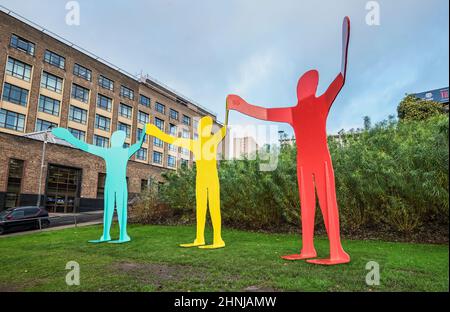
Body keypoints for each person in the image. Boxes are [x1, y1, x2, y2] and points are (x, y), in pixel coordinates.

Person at [226, 17, 351, 265]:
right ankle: (308, 248)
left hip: (320, 161)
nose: (301, 86)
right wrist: (241, 105)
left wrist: (344, 45)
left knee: (327, 203)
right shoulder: (293, 111)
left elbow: (341, 78)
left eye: (306, 82)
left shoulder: (321, 102)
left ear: (312, 86)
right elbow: (264, 112)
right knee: (306, 205)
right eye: (301, 83)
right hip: (303, 163)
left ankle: (337, 251)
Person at [52, 126, 146, 243]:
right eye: (114, 137)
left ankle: (123, 235)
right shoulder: (111, 151)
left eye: (116, 137)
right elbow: (84, 146)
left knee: (121, 209)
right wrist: (68, 137)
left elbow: (138, 145)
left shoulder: (122, 151)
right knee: (109, 209)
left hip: (118, 183)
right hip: (111, 183)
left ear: (120, 140)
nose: (114, 139)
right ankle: (106, 235)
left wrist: (68, 137)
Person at [146, 116, 227, 249]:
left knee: (213, 207)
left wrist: (225, 123)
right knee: (200, 209)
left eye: (205, 126)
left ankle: (218, 239)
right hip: (200, 179)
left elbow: (223, 131)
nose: (202, 128)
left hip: (212, 179)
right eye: (201, 126)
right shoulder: (195, 143)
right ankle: (199, 238)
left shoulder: (212, 140)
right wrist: (156, 133)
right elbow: (172, 140)